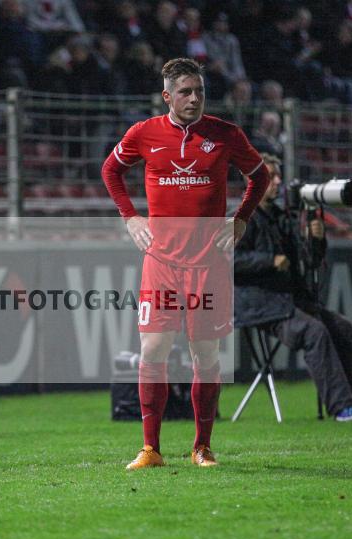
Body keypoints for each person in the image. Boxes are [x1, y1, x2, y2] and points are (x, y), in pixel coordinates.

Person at [101, 58, 270, 470]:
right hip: (161, 261)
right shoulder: (144, 134)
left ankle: (202, 447)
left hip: (207, 263)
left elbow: (260, 176)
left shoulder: (225, 134)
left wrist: (242, 218)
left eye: (199, 91)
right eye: (185, 92)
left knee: (205, 356)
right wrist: (131, 217)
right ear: (167, 97)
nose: (194, 98)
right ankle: (150, 449)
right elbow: (111, 171)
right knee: (152, 350)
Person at [235, 154, 352, 421]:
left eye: (278, 175)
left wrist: (316, 240)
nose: (278, 182)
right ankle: (342, 409)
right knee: (314, 332)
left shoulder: (282, 217)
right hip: (262, 304)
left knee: (342, 327)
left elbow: (309, 261)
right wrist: (268, 261)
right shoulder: (240, 219)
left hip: (290, 300)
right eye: (271, 176)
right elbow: (228, 259)